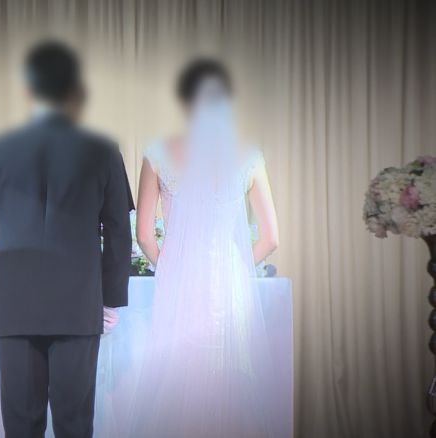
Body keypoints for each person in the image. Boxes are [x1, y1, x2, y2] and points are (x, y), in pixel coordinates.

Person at [0, 40, 134, 438]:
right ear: (75, 91)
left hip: (15, 305)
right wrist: (111, 298)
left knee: (21, 425)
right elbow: (117, 231)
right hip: (78, 306)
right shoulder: (104, 150)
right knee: (75, 424)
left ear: (27, 89)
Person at [129, 58, 284, 436]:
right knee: (229, 379)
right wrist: (236, 266)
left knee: (177, 377)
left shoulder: (157, 153)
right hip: (230, 282)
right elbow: (271, 238)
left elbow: (144, 235)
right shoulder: (249, 155)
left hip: (180, 282)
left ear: (184, 101)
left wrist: (170, 265)